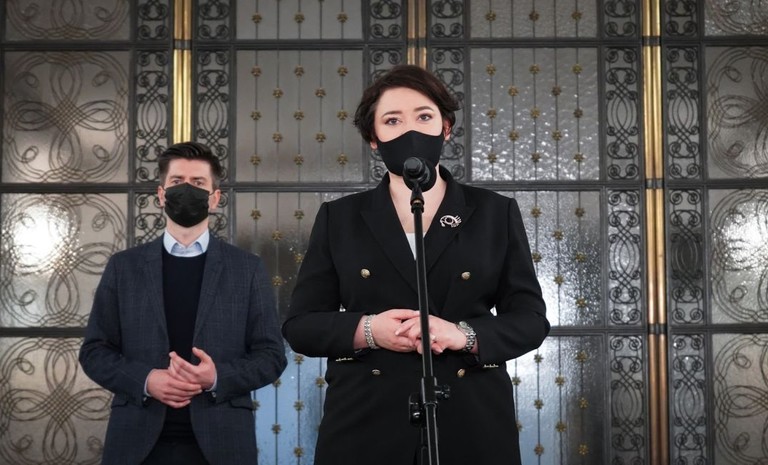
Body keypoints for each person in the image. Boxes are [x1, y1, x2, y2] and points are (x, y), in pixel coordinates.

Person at [282, 64, 550, 465]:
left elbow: (530, 319)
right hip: (365, 423)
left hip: (471, 420)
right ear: (374, 138)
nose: (410, 131)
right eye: (392, 120)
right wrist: (370, 330)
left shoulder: (495, 212)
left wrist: (462, 335)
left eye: (424, 117)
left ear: (446, 127)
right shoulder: (339, 218)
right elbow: (301, 325)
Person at [79, 141, 287, 465]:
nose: (187, 189)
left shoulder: (247, 269)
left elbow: (271, 355)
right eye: (177, 181)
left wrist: (216, 377)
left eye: (198, 182)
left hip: (223, 443)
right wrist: (146, 380)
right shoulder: (124, 267)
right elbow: (94, 351)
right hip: (136, 442)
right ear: (161, 195)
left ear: (214, 198)